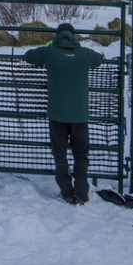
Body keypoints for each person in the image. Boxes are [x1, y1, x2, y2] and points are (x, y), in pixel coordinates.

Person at [24, 23, 106, 205]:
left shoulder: (50, 52)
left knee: (60, 154)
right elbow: (100, 59)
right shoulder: (84, 54)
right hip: (80, 115)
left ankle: (67, 191)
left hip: (57, 114)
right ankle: (82, 192)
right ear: (74, 37)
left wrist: (48, 47)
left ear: (57, 36)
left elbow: (28, 56)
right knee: (81, 155)